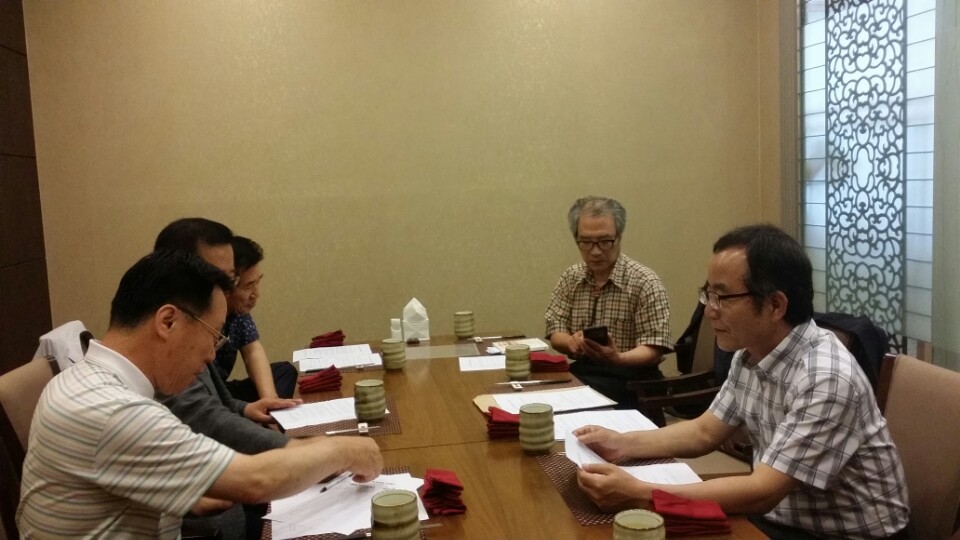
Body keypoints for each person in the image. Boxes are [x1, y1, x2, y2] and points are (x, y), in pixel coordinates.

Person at [574, 224, 910, 539]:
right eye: (708, 294)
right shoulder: (751, 353)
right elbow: (704, 431)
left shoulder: (827, 377)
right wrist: (621, 444)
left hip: (842, 533)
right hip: (780, 516)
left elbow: (762, 492)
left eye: (722, 297)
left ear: (775, 304)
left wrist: (640, 493)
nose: (710, 310)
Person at [17, 251, 382, 538]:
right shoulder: (114, 409)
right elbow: (257, 480)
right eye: (213, 334)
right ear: (168, 321)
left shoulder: (81, 379)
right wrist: (346, 450)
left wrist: (190, 496)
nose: (211, 356)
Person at [544, 196, 673, 407]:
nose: (595, 251)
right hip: (585, 373)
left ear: (619, 237)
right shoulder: (571, 277)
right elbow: (555, 329)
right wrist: (570, 342)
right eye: (586, 242)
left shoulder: (644, 281)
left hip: (633, 381)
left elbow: (654, 348)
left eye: (605, 242)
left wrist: (617, 358)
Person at [213, 235, 297, 401]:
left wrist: (270, 398)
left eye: (257, 282)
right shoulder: (204, 315)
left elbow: (253, 352)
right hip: (203, 396)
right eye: (249, 286)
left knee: (284, 371)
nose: (256, 294)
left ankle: (269, 411)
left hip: (223, 390)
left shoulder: (238, 313)